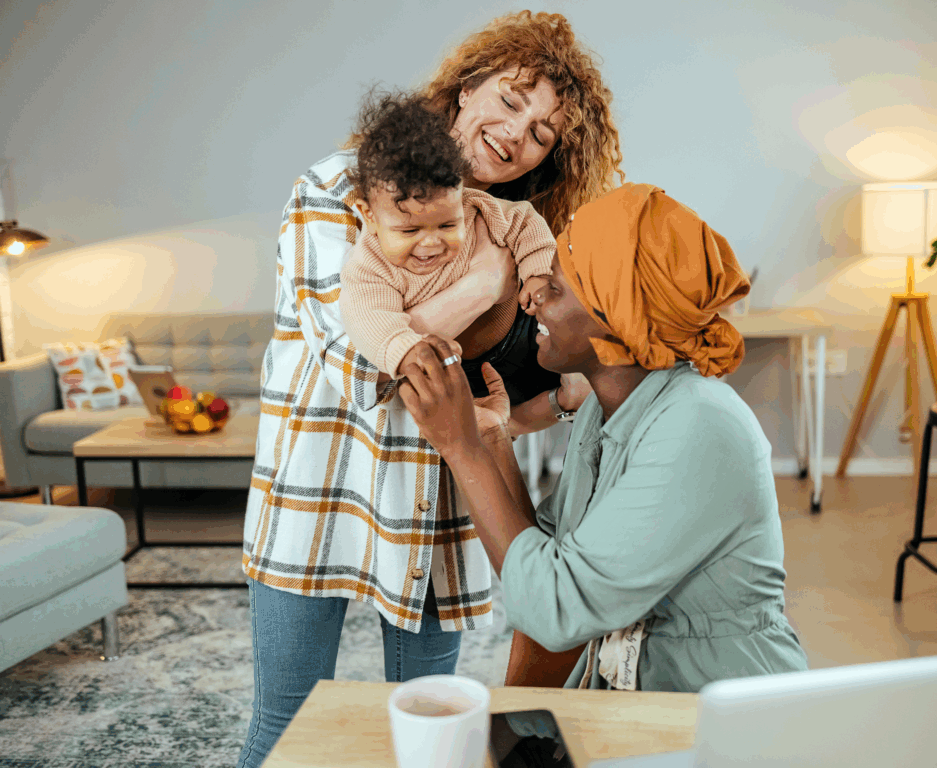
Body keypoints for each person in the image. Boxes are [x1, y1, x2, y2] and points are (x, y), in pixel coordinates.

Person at [238, 11, 622, 768]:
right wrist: (482, 283)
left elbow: (508, 397)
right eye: (512, 101)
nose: (518, 134)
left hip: (435, 508)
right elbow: (353, 364)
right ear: (469, 84)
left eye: (543, 132)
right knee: (284, 726)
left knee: (431, 734)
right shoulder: (335, 186)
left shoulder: (516, 229)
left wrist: (546, 399)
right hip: (315, 494)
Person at [396, 183, 809, 764]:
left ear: (619, 317)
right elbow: (549, 554)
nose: (532, 295)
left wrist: (460, 446)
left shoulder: (700, 424)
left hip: (725, 733)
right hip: (630, 717)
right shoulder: (604, 408)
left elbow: (556, 609)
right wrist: (491, 440)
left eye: (557, 283)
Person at [339, 90, 559, 404]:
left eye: (446, 225)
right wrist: (409, 352)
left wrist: (537, 273)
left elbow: (525, 221)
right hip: (447, 373)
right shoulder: (369, 267)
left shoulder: (476, 208)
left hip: (503, 356)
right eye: (410, 229)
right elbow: (371, 320)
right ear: (369, 216)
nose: (430, 243)